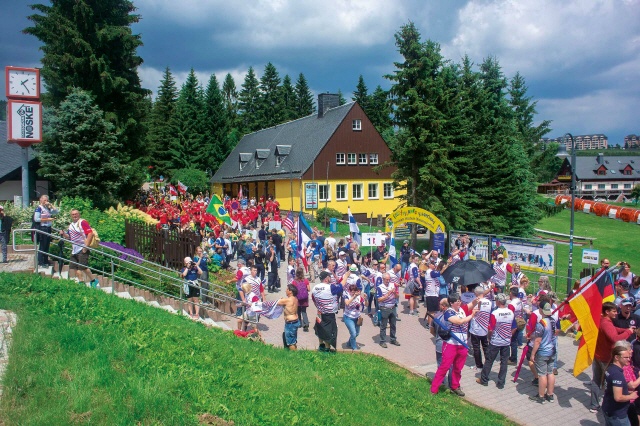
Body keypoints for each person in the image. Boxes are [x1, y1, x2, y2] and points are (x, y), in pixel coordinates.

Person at [590, 302, 636, 413]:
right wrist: (628, 332)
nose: (616, 313)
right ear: (607, 312)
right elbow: (615, 338)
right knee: (610, 383)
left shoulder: (604, 321)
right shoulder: (606, 323)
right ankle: (609, 406)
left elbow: (614, 329)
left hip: (598, 355)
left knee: (596, 380)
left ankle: (594, 405)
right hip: (605, 358)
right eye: (614, 311)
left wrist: (625, 329)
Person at [430, 293, 479, 396]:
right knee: (444, 366)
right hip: (451, 344)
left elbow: (473, 303)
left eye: (459, 300)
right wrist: (472, 315)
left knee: (458, 367)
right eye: (457, 301)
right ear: (451, 303)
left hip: (462, 344)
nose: (459, 302)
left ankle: (455, 386)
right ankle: (434, 389)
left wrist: (478, 298)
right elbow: (459, 322)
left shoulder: (462, 309)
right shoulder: (448, 312)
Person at [477, 293, 516, 389]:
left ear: (498, 302)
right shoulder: (511, 312)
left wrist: (489, 337)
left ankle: (484, 380)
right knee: (504, 362)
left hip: (495, 341)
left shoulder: (495, 313)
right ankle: (501, 383)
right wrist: (509, 335)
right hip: (506, 341)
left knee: (489, 360)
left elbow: (490, 329)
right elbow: (514, 327)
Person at [59, 210, 99, 287]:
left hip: (82, 248)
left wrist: (86, 247)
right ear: (71, 216)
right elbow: (69, 237)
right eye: (73, 214)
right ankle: (81, 282)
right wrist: (63, 234)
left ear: (79, 214)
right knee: (75, 267)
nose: (74, 215)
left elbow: (90, 233)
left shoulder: (82, 222)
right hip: (74, 249)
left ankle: (93, 280)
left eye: (76, 214)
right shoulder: (71, 225)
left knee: (83, 267)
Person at [529, 302, 558, 404]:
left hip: (543, 351)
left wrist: (533, 354)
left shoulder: (541, 323)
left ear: (541, 310)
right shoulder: (553, 320)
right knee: (550, 372)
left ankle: (541, 396)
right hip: (552, 350)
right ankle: (550, 394)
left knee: (542, 375)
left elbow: (537, 341)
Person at [602, 345, 639, 425]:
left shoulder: (610, 368)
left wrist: (626, 392)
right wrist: (631, 396)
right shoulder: (617, 374)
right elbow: (618, 397)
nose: (629, 359)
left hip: (608, 408)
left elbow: (611, 389)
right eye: (626, 357)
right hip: (617, 414)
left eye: (629, 357)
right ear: (617, 357)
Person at [312, 270, 343, 352]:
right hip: (329, 314)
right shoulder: (330, 287)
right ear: (326, 278)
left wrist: (320, 307)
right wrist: (346, 276)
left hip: (320, 312)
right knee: (329, 331)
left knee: (320, 329)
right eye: (330, 277)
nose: (331, 278)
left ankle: (321, 346)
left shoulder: (315, 287)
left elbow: (314, 299)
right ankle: (327, 349)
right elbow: (341, 287)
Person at [468, 286, 492, 370]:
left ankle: (479, 366)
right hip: (484, 328)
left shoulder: (474, 302)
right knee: (485, 347)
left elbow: (470, 313)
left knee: (476, 348)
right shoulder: (489, 302)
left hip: (475, 329)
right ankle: (488, 364)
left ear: (476, 293)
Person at [431, 298, 452, 388]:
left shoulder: (436, 316)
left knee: (440, 364)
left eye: (440, 304)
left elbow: (432, 331)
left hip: (440, 344)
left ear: (443, 306)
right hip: (450, 344)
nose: (438, 305)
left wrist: (438, 336)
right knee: (451, 365)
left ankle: (441, 383)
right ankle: (452, 385)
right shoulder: (454, 316)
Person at [34, 194, 58, 268]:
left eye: (47, 200)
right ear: (40, 200)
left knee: (47, 245)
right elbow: (36, 219)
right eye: (44, 200)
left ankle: (45, 260)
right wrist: (48, 219)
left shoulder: (47, 208)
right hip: (42, 228)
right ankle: (40, 262)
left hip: (48, 228)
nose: (46, 202)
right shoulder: (39, 208)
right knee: (43, 245)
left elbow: (56, 212)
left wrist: (51, 205)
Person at [378, 272, 400, 348]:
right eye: (386, 279)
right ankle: (382, 341)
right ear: (383, 279)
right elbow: (379, 299)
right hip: (384, 308)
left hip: (393, 307)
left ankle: (393, 339)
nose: (388, 281)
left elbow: (397, 296)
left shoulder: (393, 285)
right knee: (383, 326)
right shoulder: (380, 287)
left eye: (389, 279)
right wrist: (388, 293)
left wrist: (394, 293)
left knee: (393, 325)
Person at [277, 284, 300, 350]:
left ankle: (293, 355)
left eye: (287, 289)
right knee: (293, 340)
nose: (285, 291)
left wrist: (281, 299)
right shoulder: (295, 299)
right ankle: (295, 352)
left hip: (290, 323)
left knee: (290, 342)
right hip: (295, 321)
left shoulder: (288, 300)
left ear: (290, 291)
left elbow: (277, 302)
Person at [343, 283, 365, 350]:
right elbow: (347, 303)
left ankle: (348, 343)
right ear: (349, 291)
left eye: (354, 291)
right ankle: (354, 348)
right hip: (348, 317)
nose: (353, 292)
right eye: (351, 291)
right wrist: (354, 297)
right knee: (353, 333)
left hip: (357, 318)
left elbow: (366, 304)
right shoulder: (347, 296)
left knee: (357, 333)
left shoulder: (359, 297)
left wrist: (366, 299)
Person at [292, 268, 310, 332]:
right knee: (304, 311)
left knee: (298, 311)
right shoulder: (305, 280)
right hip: (304, 298)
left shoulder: (294, 281)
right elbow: (309, 289)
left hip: (297, 298)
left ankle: (299, 323)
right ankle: (306, 323)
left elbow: (293, 290)